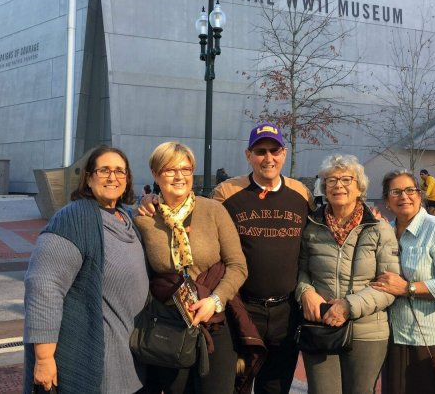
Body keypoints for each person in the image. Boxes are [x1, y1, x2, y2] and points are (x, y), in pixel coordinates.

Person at [23, 146, 149, 393]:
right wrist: (44, 358)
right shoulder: (74, 219)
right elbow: (44, 284)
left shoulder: (128, 218)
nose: (113, 177)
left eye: (120, 171)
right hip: (98, 362)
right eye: (104, 170)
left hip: (133, 357)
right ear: (89, 178)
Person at [134, 141, 248, 394]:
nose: (179, 176)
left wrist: (215, 301)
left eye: (185, 169)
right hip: (169, 325)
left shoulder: (214, 211)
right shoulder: (143, 218)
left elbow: (238, 265)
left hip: (214, 321)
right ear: (155, 173)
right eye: (169, 170)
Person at [211, 122, 313, 394]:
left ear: (284, 153)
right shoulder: (227, 193)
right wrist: (154, 203)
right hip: (242, 309)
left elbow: (323, 229)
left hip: (286, 312)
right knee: (237, 384)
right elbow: (200, 221)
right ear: (248, 155)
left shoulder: (301, 194)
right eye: (260, 151)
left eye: (274, 150)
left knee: (276, 387)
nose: (268, 158)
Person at [296, 154, 400, 394]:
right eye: (331, 180)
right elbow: (301, 270)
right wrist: (305, 292)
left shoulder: (378, 228)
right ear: (323, 187)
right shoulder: (311, 225)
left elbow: (388, 286)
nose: (338, 186)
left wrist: (347, 306)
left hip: (368, 330)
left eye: (346, 179)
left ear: (359, 187)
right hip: (321, 325)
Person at [372, 170, 435, 394]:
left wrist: (408, 288)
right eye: (396, 192)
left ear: (420, 195)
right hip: (398, 335)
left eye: (410, 190)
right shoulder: (384, 231)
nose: (404, 196)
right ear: (387, 201)